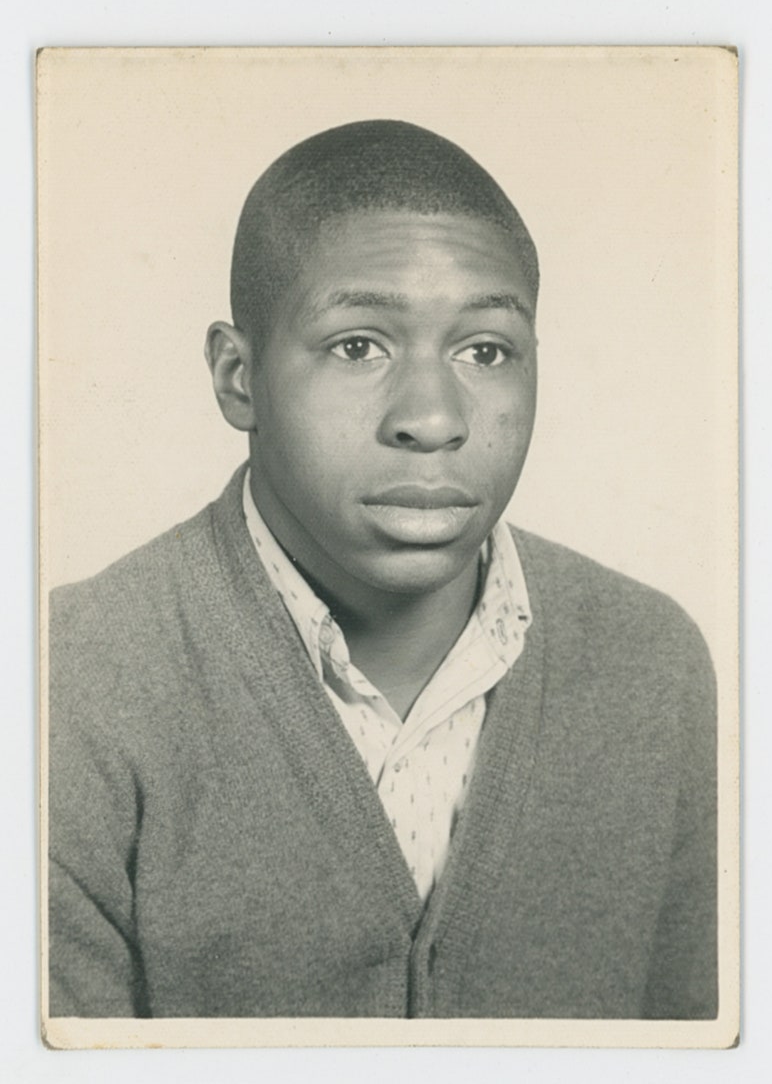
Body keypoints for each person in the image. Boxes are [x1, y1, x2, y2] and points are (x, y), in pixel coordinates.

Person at [48, 119, 717, 1020]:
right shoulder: (72, 680)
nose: (433, 419)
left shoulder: (654, 665)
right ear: (238, 376)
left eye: (486, 351)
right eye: (358, 345)